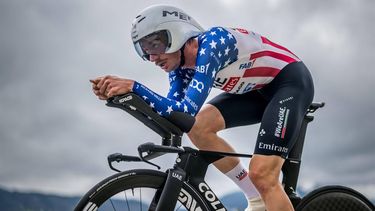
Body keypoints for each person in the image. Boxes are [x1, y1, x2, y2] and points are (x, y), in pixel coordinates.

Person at [90, 4, 314, 211]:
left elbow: (185, 110)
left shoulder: (211, 45)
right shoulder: (180, 69)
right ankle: (255, 197)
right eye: (144, 50)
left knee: (263, 175)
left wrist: (134, 86)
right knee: (198, 128)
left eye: (154, 45)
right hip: (256, 91)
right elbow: (175, 118)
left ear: (176, 35)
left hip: (289, 83)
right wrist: (127, 99)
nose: (151, 57)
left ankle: (263, 190)